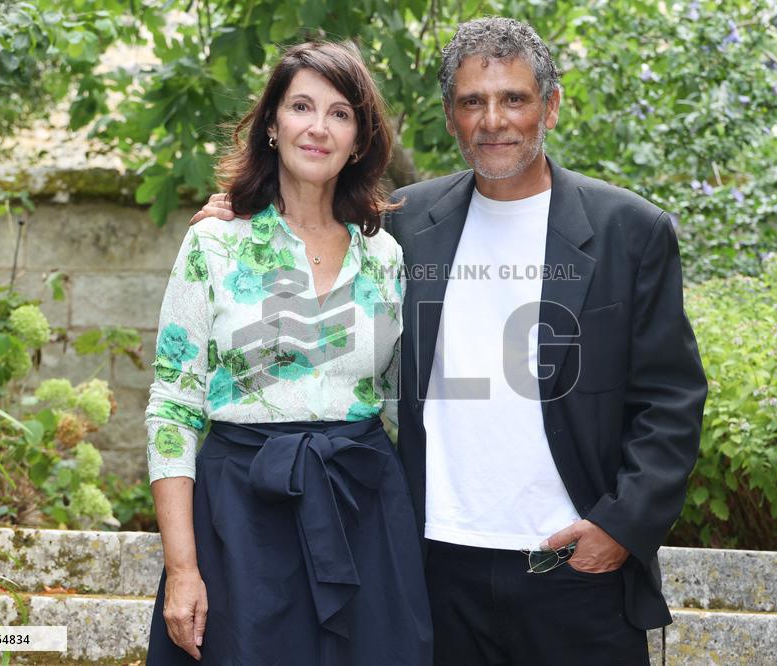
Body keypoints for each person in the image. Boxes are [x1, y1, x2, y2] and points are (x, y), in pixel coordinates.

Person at [193, 17, 707, 665]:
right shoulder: (404, 225)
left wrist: (621, 527)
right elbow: (309, 231)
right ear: (450, 116)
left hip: (574, 567)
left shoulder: (629, 231)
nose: (494, 119)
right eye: (473, 101)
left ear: (550, 105)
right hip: (434, 566)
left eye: (514, 98)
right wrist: (239, 217)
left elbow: (671, 399)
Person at [146, 41, 432, 665]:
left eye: (339, 113)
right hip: (239, 516)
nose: (318, 127)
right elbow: (172, 408)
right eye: (301, 106)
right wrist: (183, 569)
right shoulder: (214, 244)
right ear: (272, 124)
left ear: (359, 139)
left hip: (362, 509)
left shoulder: (385, 255)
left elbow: (400, 396)